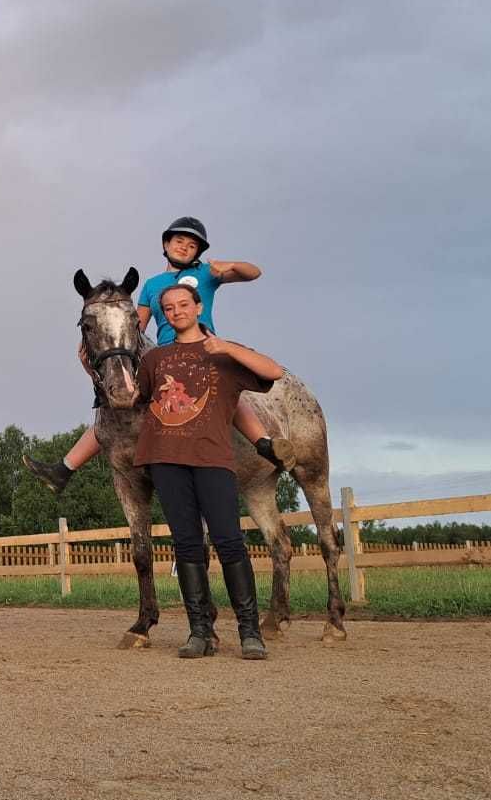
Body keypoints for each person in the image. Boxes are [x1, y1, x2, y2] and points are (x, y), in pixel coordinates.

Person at [22, 217, 291, 494]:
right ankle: (64, 469)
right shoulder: (151, 285)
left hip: (202, 347)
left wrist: (231, 266)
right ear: (166, 243)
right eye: (179, 241)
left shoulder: (207, 274)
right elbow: (136, 326)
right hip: (165, 356)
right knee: (118, 405)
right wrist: (112, 349)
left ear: (199, 251)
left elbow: (254, 273)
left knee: (226, 391)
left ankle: (264, 443)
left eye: (192, 245)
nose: (184, 248)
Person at [136, 281, 284, 660]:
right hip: (166, 459)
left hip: (213, 459)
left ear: (198, 307)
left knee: (229, 541)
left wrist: (226, 347)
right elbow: (131, 399)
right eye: (168, 308)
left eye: (183, 304)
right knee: (186, 545)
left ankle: (250, 632)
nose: (175, 312)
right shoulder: (155, 360)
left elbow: (274, 371)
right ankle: (200, 632)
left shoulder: (225, 354)